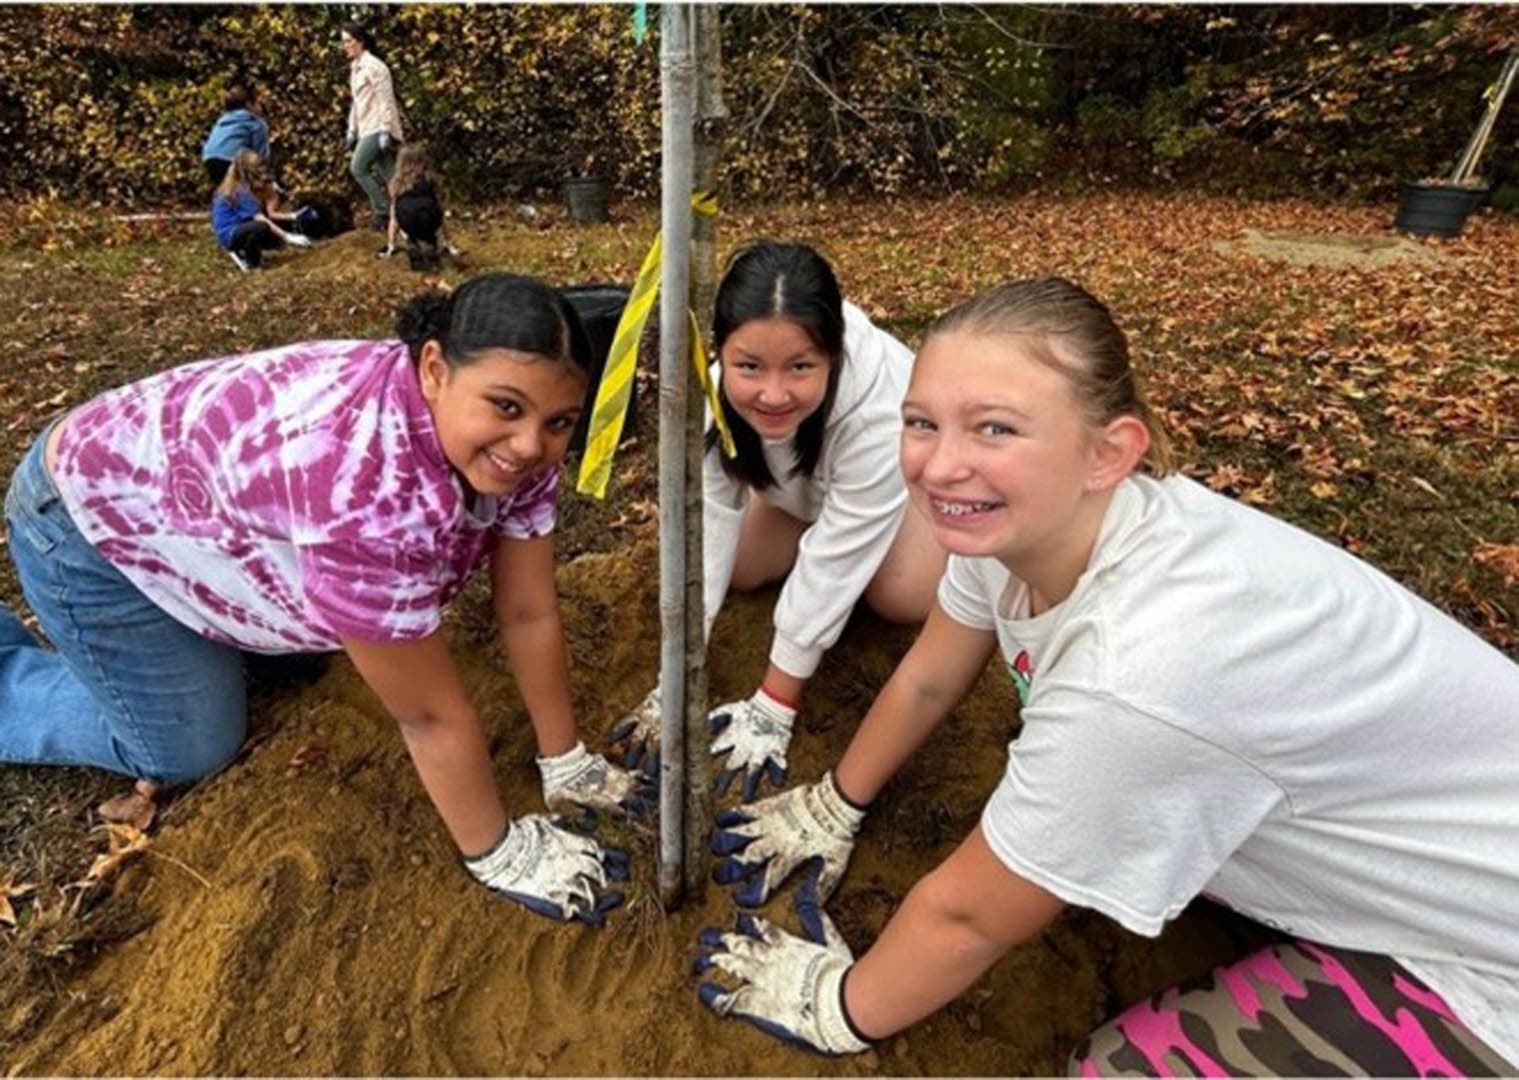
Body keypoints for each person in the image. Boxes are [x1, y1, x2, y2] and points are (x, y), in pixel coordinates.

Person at [695, 277, 1519, 1071]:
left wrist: (837, 1007)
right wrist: (833, 803)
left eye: (994, 429)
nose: (941, 467)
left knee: (1115, 1070)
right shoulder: (1028, 526)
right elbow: (929, 678)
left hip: (1487, 962)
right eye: (920, 422)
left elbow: (969, 917)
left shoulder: (1134, 678)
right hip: (1429, 846)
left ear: (1108, 452)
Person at [1, 272, 649, 925]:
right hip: (87, 520)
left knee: (306, 657)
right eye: (505, 408)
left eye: (557, 421)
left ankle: (203, 641)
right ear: (432, 368)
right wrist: (499, 851)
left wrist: (565, 759)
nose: (531, 444)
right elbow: (427, 716)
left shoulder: (513, 446)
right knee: (189, 748)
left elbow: (528, 610)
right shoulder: (364, 496)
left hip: (193, 504)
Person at [609, 242, 945, 801]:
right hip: (805, 490)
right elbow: (710, 517)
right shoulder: (710, 390)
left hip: (901, 494)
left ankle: (921, 549)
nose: (772, 392)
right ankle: (805, 540)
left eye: (800, 367)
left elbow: (837, 553)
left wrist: (775, 701)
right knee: (739, 567)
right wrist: (678, 671)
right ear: (722, 352)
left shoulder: (881, 404)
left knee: (898, 594)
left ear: (832, 355)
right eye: (749, 366)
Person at [341, 20, 404, 232]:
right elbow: (357, 102)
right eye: (344, 42)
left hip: (378, 126)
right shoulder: (355, 68)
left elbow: (386, 99)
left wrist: (386, 129)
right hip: (366, 126)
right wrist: (352, 129)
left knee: (358, 168)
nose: (346, 46)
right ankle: (406, 206)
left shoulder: (375, 67)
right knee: (390, 174)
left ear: (361, 42)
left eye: (349, 41)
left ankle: (382, 210)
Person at [210, 148, 311, 271]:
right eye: (257, 167)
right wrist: (287, 236)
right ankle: (246, 257)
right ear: (248, 170)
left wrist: (293, 217)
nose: (261, 169)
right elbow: (260, 218)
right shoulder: (240, 190)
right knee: (261, 227)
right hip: (230, 233)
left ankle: (251, 254)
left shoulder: (240, 185)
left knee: (269, 234)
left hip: (239, 227)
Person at [377, 141, 461, 271]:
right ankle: (434, 245)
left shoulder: (396, 183)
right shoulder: (431, 179)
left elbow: (393, 216)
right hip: (430, 220)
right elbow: (439, 207)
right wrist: (448, 241)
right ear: (424, 161)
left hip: (407, 221)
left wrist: (391, 244)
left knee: (401, 212)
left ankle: (412, 243)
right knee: (434, 212)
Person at [201, 83, 271, 188]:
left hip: (210, 158)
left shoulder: (223, 119)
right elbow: (261, 155)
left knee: (226, 189)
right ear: (249, 104)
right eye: (258, 104)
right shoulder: (256, 122)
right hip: (231, 159)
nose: (261, 108)